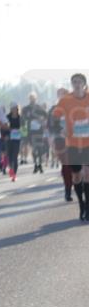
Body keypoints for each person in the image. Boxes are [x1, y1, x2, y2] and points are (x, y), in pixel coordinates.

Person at [52, 73, 89, 221]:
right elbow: (54, 118)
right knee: (77, 175)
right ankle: (81, 204)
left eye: (79, 82)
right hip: (73, 143)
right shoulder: (65, 100)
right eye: (74, 82)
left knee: (88, 173)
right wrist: (61, 129)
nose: (77, 84)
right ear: (72, 84)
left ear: (84, 84)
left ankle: (88, 208)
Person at [49, 87, 73, 201]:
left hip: (75, 140)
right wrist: (60, 131)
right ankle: (68, 189)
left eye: (65, 94)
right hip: (60, 140)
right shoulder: (54, 109)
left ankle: (78, 184)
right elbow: (50, 125)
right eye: (60, 95)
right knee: (66, 165)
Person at [22, 93, 49, 174]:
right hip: (30, 131)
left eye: (33, 98)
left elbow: (46, 116)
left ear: (36, 99)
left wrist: (42, 120)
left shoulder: (39, 107)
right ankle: (35, 165)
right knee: (34, 149)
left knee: (39, 148)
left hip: (39, 131)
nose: (32, 99)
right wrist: (27, 121)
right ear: (29, 99)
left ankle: (40, 164)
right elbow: (23, 119)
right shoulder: (26, 109)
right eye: (31, 98)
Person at [6, 103, 22, 180]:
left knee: (15, 156)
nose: (14, 109)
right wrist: (6, 133)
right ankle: (11, 169)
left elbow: (24, 128)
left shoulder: (20, 117)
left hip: (17, 140)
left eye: (15, 108)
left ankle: (14, 174)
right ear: (11, 109)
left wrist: (21, 131)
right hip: (9, 139)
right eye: (13, 108)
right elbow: (4, 127)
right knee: (9, 156)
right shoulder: (7, 117)